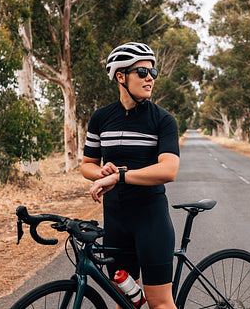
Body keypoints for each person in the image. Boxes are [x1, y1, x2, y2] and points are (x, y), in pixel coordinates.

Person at [81, 42, 179, 309]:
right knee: (124, 302)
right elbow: (87, 164)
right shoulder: (101, 118)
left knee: (159, 303)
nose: (150, 77)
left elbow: (169, 170)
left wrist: (120, 176)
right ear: (120, 77)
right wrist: (101, 172)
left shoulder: (163, 120)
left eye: (152, 72)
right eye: (142, 71)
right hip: (116, 221)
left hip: (151, 219)